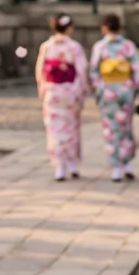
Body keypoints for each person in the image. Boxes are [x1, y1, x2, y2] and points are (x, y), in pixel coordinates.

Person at [89, 13, 139, 182]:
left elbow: (94, 71)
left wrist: (99, 89)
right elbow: (138, 70)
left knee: (111, 129)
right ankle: (126, 164)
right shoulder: (128, 46)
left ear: (105, 28)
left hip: (108, 92)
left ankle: (116, 167)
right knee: (126, 128)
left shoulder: (100, 47)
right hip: (125, 92)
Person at [35, 13, 88, 181]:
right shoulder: (74, 47)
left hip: (52, 91)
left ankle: (59, 166)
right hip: (70, 91)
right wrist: (80, 93)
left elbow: (40, 73)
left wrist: (43, 92)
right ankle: (72, 164)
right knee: (71, 128)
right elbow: (81, 71)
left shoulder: (46, 46)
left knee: (54, 130)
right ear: (69, 28)